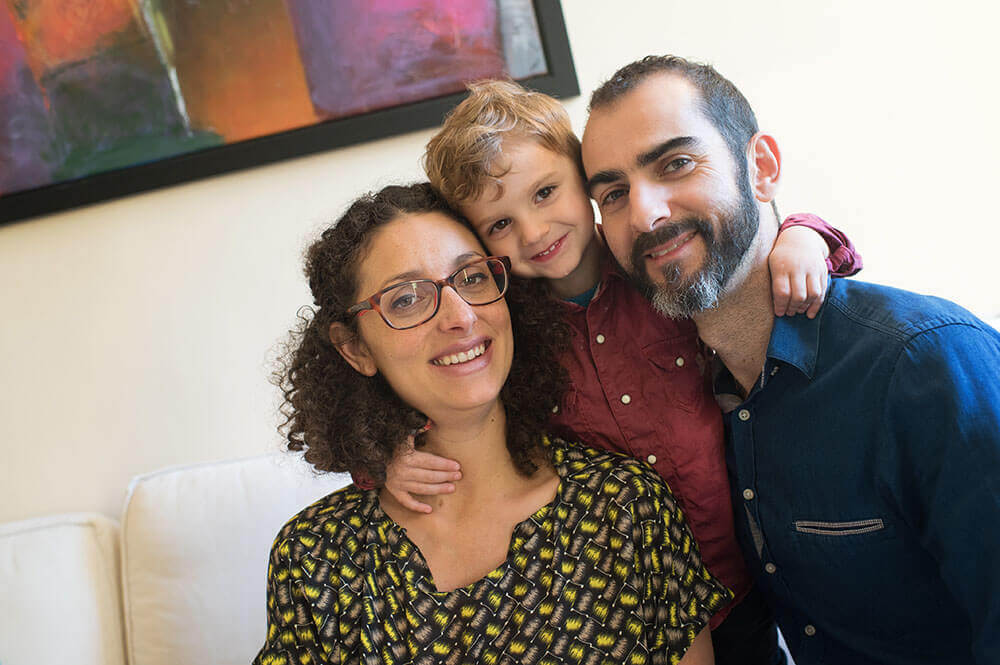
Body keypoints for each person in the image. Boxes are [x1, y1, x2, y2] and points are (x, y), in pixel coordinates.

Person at [380, 80, 860, 664]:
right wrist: (388, 458)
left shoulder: (658, 263)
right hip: (616, 607)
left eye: (545, 192)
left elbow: (744, 245)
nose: (532, 233)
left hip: (744, 582)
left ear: (586, 179)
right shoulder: (503, 332)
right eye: (498, 225)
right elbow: (442, 409)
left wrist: (804, 236)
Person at [579, 55, 1000, 665]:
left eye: (676, 163)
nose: (645, 214)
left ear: (762, 168)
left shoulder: (926, 364)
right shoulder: (695, 402)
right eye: (614, 194)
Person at [253, 183, 731, 665]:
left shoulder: (626, 509)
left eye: (473, 278)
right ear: (354, 348)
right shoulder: (314, 559)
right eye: (406, 299)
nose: (460, 316)